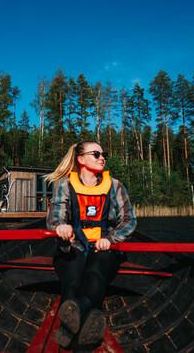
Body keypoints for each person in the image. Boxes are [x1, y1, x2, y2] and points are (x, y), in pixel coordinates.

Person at [45, 141, 136, 348]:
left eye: (104, 154)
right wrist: (61, 227)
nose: (102, 158)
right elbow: (55, 219)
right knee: (72, 280)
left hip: (103, 246)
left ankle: (70, 326)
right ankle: (88, 322)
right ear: (81, 159)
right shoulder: (65, 186)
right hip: (74, 245)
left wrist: (110, 239)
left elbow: (129, 220)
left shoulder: (115, 186)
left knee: (95, 273)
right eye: (96, 154)